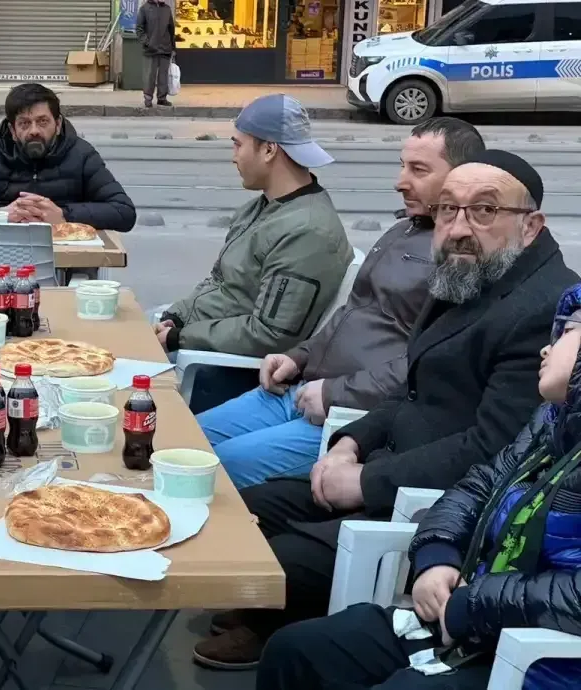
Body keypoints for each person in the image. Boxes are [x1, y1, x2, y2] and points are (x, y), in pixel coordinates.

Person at [193, 150, 580, 672]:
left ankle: (279, 625)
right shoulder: (469, 274)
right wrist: (349, 443)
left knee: (281, 553)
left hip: (423, 500)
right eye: (448, 210)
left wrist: (366, 481)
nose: (460, 227)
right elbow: (411, 387)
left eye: (484, 211)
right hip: (391, 464)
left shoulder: (542, 311)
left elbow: (488, 448)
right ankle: (271, 617)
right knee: (249, 505)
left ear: (530, 226)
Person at [257, 282, 581, 690]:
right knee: (299, 650)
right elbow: (477, 486)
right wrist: (437, 555)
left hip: (541, 660)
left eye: (567, 332)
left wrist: (472, 604)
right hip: (471, 625)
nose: (546, 348)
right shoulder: (551, 423)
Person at [198, 117, 485, 489]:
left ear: (462, 178)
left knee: (220, 468)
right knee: (190, 438)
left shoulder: (463, 258)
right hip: (300, 388)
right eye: (402, 166)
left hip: (350, 417)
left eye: (418, 170)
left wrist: (335, 393)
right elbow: (351, 312)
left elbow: (428, 363)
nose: (400, 181)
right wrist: (297, 356)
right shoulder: (403, 229)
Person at [157, 94, 352, 412]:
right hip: (212, 343)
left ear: (269, 150)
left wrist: (182, 337)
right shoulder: (261, 208)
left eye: (237, 145)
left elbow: (270, 335)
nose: (233, 156)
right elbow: (220, 282)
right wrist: (175, 317)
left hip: (234, 372)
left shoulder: (307, 231)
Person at [0, 84, 136, 232]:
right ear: (12, 131)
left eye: (42, 121)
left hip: (71, 260)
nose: (34, 130)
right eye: (25, 123)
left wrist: (64, 216)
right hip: (7, 257)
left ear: (57, 125)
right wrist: (1, 213)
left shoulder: (81, 154)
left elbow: (124, 212)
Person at [136, 0, 176, 108]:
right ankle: (148, 98)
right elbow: (139, 29)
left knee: (164, 76)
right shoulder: (144, 9)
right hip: (151, 49)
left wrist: (173, 47)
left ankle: (162, 98)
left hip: (165, 48)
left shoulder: (167, 9)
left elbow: (171, 29)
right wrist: (147, 43)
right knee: (150, 76)